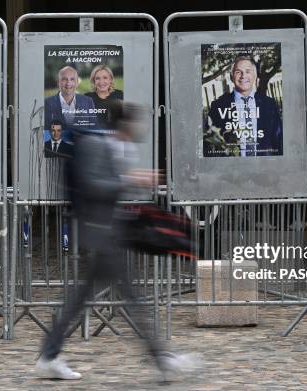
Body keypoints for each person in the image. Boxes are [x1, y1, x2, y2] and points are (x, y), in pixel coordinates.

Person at [35, 101, 199, 381]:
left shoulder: (114, 146)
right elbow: (93, 185)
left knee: (82, 299)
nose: (141, 127)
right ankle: (162, 360)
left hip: (106, 234)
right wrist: (130, 180)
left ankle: (49, 355)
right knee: (131, 299)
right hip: (100, 234)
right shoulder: (97, 146)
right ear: (126, 124)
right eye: (138, 122)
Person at [207, 55, 283, 156]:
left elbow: (278, 141)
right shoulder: (218, 106)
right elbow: (210, 143)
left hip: (265, 166)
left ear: (255, 75)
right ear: (231, 76)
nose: (243, 76)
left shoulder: (269, 105)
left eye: (248, 71)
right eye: (238, 72)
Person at [44, 66, 97, 133]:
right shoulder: (47, 103)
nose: (68, 83)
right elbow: (45, 131)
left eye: (72, 79)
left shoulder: (88, 101)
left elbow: (94, 129)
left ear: (77, 82)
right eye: (64, 79)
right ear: (58, 82)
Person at [84, 64, 123, 130]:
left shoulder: (120, 95)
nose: (101, 82)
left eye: (105, 78)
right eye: (97, 78)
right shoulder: (86, 98)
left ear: (111, 79)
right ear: (94, 81)